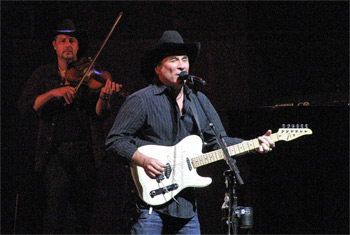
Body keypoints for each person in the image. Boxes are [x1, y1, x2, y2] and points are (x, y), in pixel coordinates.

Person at [105, 30, 275, 234]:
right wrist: (143, 160)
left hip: (186, 208)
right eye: (174, 59)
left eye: (184, 59)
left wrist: (254, 144)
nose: (181, 65)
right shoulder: (141, 100)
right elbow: (115, 140)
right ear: (158, 68)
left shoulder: (199, 101)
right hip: (148, 207)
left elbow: (217, 142)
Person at [17, 19, 122, 234]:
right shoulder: (43, 74)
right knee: (56, 202)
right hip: (54, 152)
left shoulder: (89, 74)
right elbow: (27, 107)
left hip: (86, 151)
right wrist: (53, 92)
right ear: (54, 45)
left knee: (83, 211)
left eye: (72, 41)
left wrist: (104, 97)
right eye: (63, 40)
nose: (68, 45)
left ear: (77, 46)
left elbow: (100, 114)